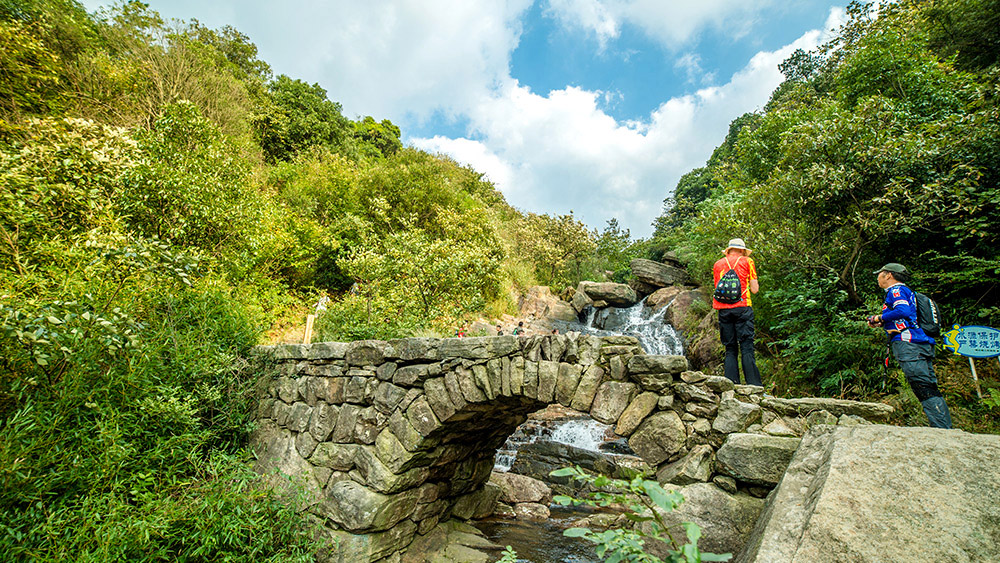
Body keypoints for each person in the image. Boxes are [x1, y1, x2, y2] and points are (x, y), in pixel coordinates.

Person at [867, 263, 952, 428]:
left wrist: (879, 318)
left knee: (922, 386)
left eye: (880, 274)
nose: (878, 277)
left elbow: (903, 311)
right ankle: (943, 426)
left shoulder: (896, 290)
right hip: (919, 342)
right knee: (928, 385)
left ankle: (942, 429)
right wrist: (884, 322)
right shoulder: (907, 292)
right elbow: (905, 317)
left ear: (889, 275)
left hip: (909, 344)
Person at [712, 238, 762, 386]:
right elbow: (755, 289)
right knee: (746, 346)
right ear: (742, 250)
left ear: (728, 250)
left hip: (723, 310)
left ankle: (731, 385)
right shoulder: (747, 262)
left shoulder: (718, 264)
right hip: (743, 307)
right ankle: (754, 386)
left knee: (730, 348)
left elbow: (718, 288)